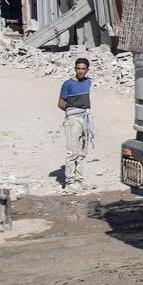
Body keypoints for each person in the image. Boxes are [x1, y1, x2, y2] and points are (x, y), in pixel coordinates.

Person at [57, 58, 94, 192]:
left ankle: (79, 179)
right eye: (78, 68)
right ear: (75, 69)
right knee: (72, 151)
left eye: (83, 69)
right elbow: (61, 103)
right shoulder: (68, 84)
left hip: (85, 118)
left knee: (82, 151)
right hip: (73, 120)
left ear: (87, 70)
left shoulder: (88, 82)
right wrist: (72, 113)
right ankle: (69, 182)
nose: (80, 71)